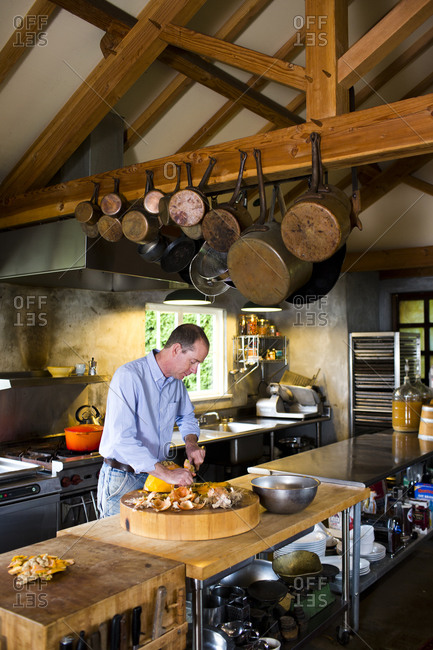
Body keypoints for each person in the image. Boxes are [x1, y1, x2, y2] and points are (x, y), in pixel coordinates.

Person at [97, 323, 209, 517]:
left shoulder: (176, 382)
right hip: (123, 479)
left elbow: (186, 416)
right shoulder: (129, 376)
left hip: (156, 477)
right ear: (176, 350)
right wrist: (167, 474)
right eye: (193, 361)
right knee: (120, 545)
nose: (195, 370)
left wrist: (191, 444)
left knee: (153, 544)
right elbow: (123, 440)